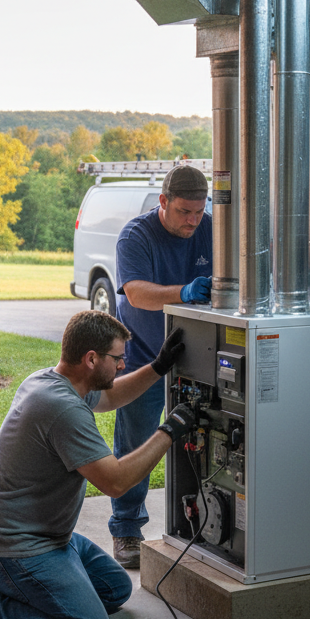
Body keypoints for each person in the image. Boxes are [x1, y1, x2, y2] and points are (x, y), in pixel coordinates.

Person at [0, 310, 194, 619]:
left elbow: (111, 397)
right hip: (15, 548)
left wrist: (159, 367)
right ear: (91, 359)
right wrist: (169, 431)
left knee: (114, 590)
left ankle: (1, 587)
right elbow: (116, 482)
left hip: (48, 537)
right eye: (118, 358)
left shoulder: (50, 380)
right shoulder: (62, 408)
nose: (123, 366)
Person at [110, 164, 212, 569]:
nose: (192, 220)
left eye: (199, 212)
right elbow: (136, 294)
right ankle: (127, 529)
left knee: (203, 439)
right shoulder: (136, 236)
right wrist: (184, 293)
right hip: (144, 355)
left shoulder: (212, 229)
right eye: (184, 211)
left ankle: (202, 517)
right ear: (163, 202)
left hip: (196, 356)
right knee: (135, 444)